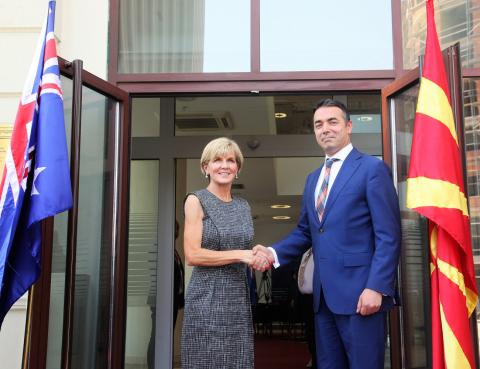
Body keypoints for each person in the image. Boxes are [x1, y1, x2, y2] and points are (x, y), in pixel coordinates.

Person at [254, 99, 401, 369]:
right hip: (323, 301)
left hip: (361, 296)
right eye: (318, 124)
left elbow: (388, 236)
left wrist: (377, 287)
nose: (325, 129)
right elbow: (305, 232)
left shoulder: (371, 169)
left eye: (332, 122)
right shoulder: (313, 178)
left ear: (348, 126)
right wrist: (272, 252)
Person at [181, 137, 269, 369]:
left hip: (238, 299)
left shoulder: (243, 206)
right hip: (207, 298)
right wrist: (242, 254)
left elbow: (243, 248)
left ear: (238, 169)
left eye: (231, 160)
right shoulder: (196, 200)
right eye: (217, 160)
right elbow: (192, 255)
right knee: (207, 361)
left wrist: (256, 252)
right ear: (205, 167)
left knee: (237, 361)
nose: (224, 165)